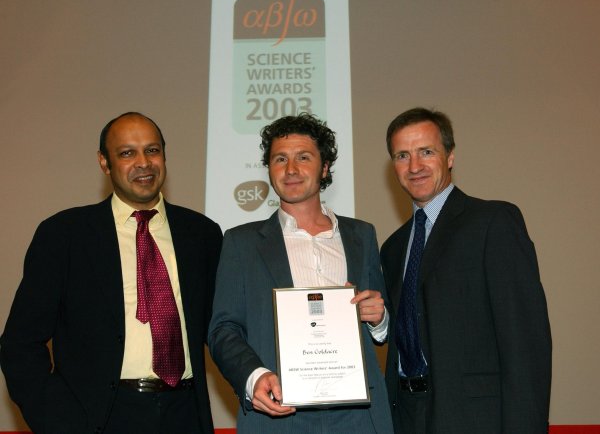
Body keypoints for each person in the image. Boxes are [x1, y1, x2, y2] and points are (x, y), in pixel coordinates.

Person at [0, 112, 222, 434]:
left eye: (152, 150)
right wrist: (60, 422)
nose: (144, 163)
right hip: (101, 419)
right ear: (104, 163)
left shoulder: (202, 234)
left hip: (185, 414)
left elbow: (223, 329)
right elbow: (20, 344)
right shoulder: (64, 235)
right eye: (127, 153)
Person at [208, 113, 394, 433]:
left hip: (358, 418)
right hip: (279, 416)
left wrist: (379, 318)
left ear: (324, 168)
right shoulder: (241, 243)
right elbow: (223, 330)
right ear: (269, 169)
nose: (291, 169)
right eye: (280, 159)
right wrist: (254, 377)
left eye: (303, 157)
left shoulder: (361, 235)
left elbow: (381, 328)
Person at [381, 107, 552, 434]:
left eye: (426, 152)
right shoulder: (392, 249)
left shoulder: (493, 223)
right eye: (402, 155)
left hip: (475, 419)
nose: (414, 166)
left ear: (450, 157)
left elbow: (526, 345)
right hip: (406, 417)